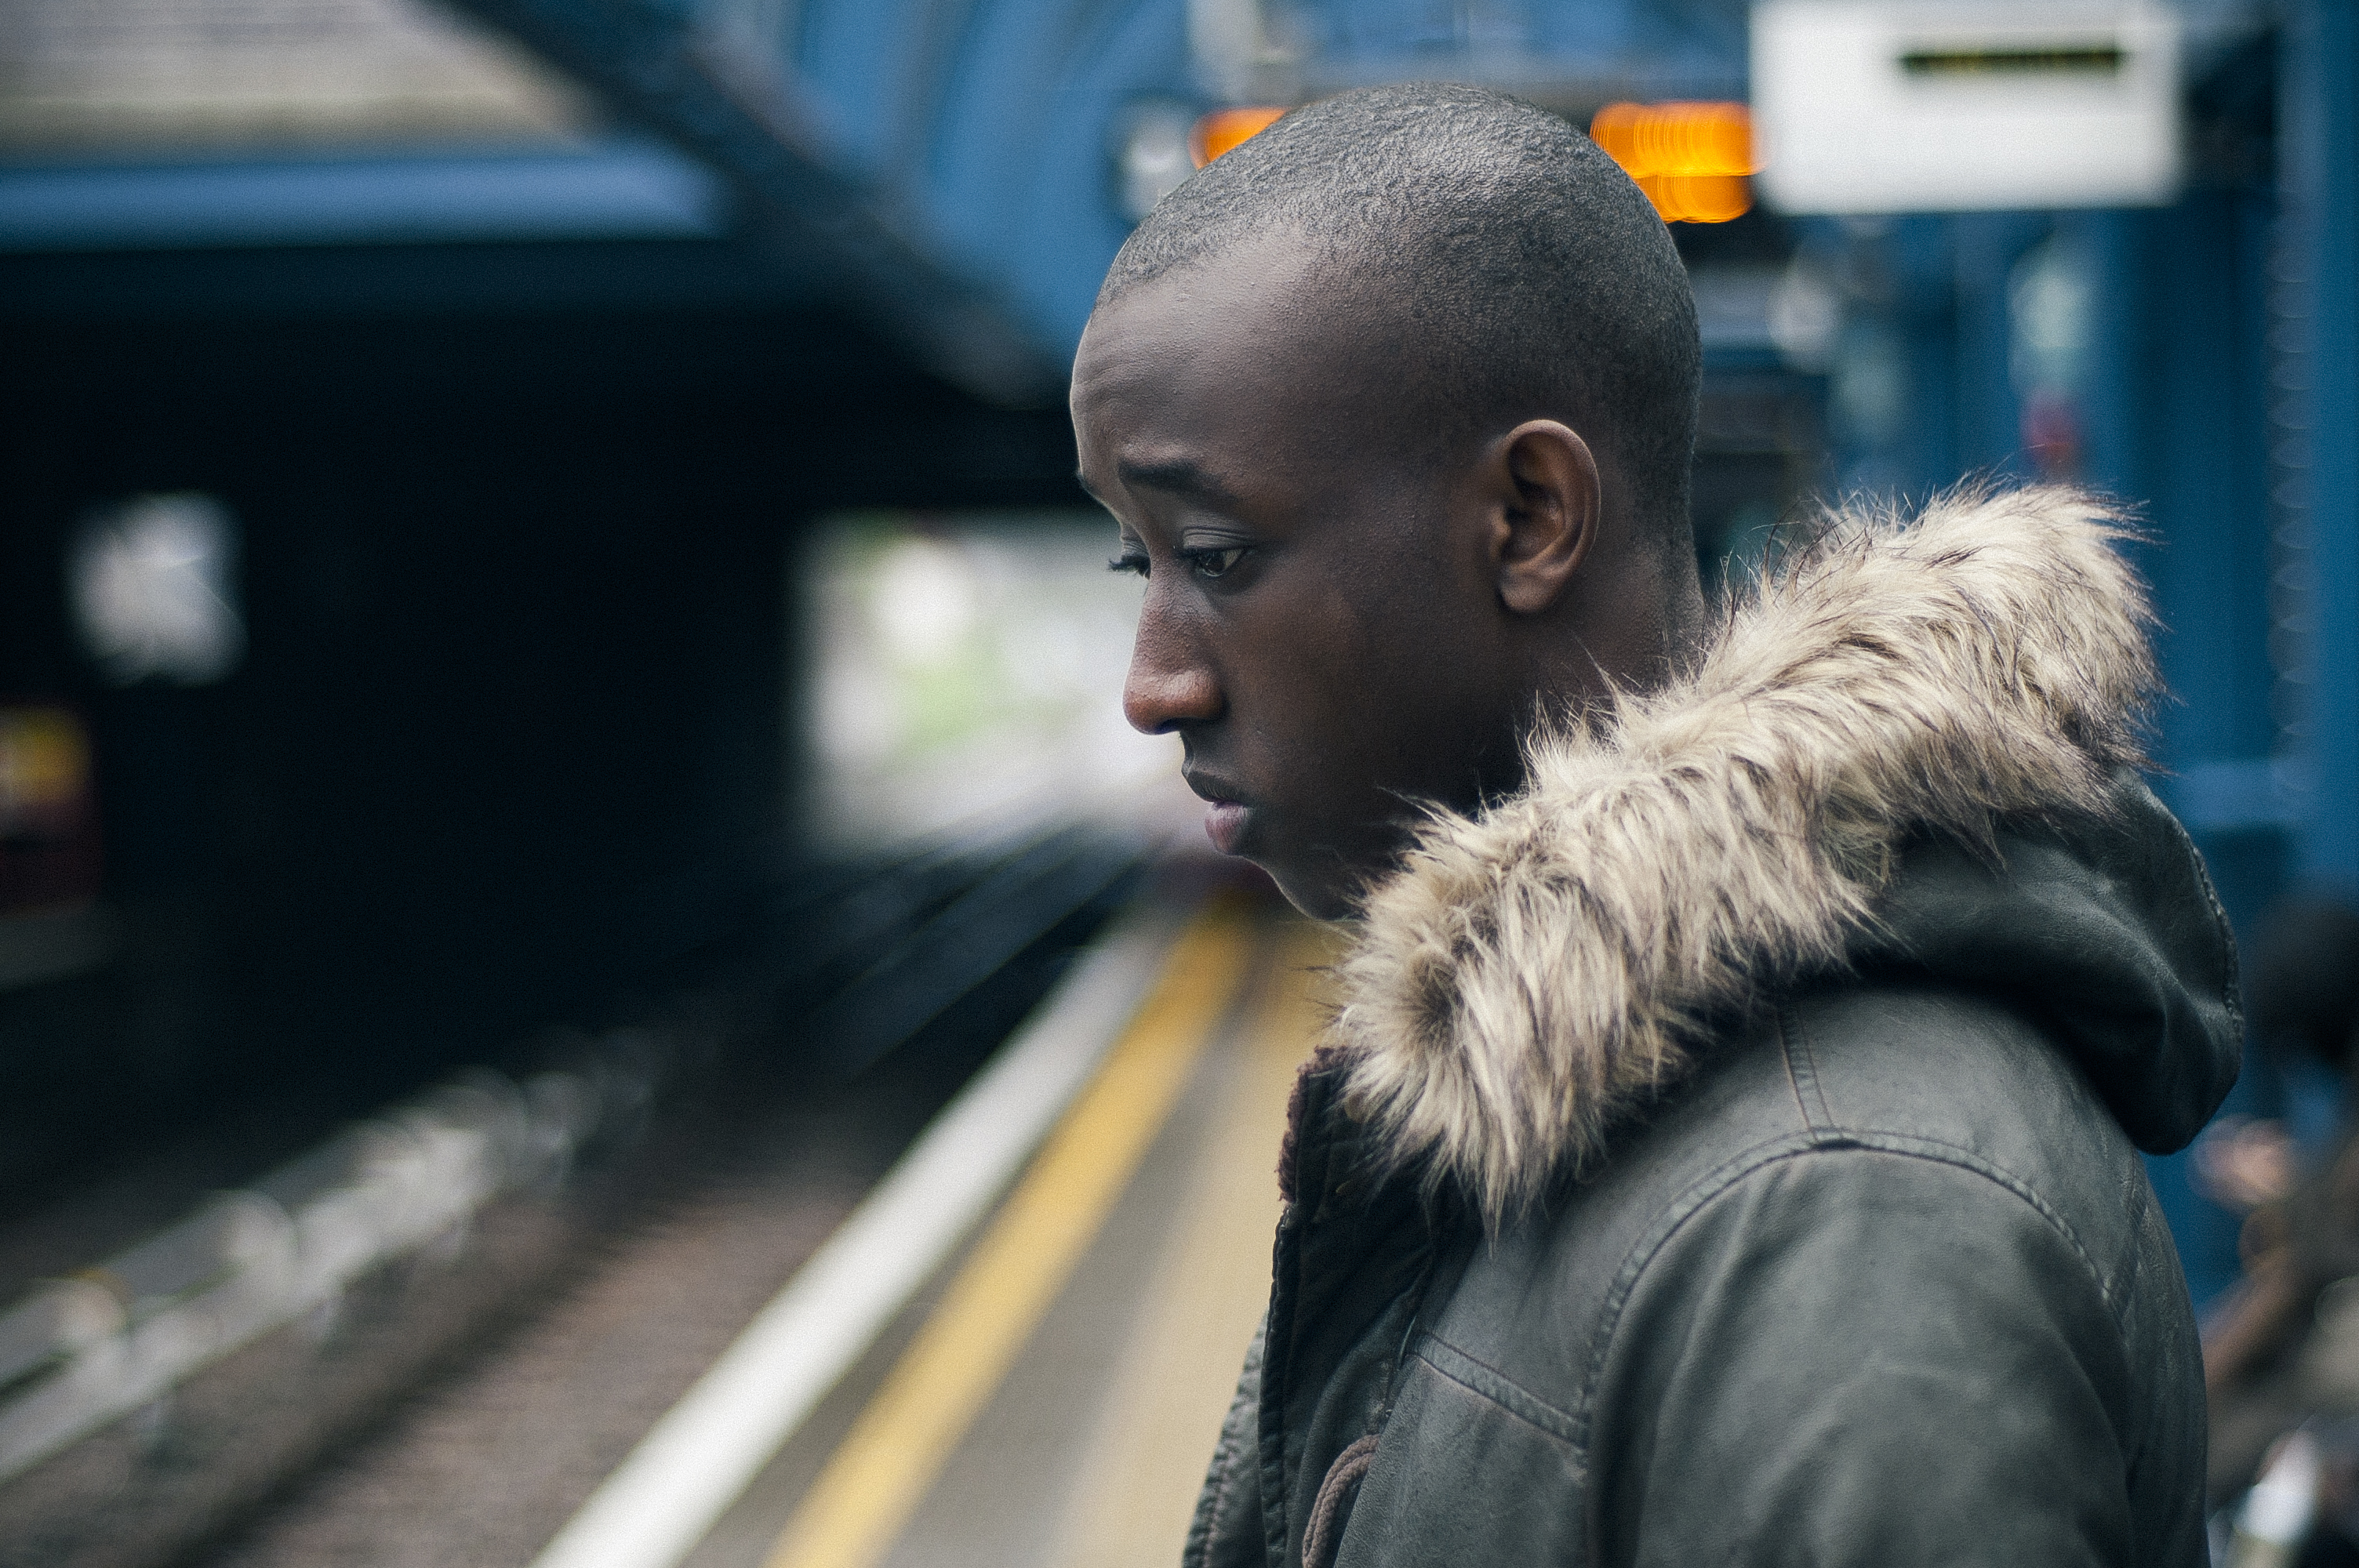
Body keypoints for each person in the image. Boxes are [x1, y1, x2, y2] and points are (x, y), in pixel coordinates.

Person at [1072, 82, 2240, 1566]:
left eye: (1219, 555)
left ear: (1530, 517)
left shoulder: (1842, 1217)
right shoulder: (1589, 1107)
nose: (1153, 686)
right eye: (1142, 567)